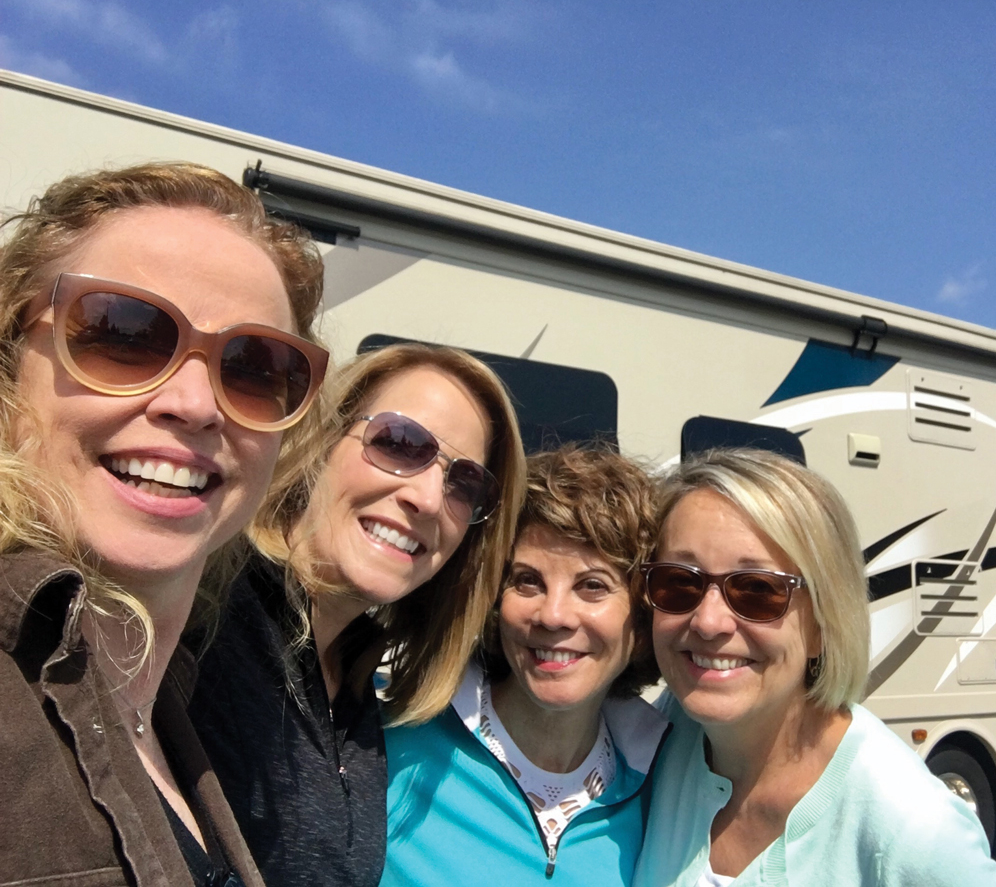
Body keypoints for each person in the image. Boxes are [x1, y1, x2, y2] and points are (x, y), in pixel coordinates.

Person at [0, 162, 328, 887]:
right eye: (123, 335)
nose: (197, 404)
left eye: (254, 368)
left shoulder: (170, 707)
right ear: (10, 356)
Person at [188, 342, 526, 887]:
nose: (428, 499)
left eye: (465, 484)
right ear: (323, 440)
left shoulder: (355, 681)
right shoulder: (204, 618)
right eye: (400, 443)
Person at [633, 449, 996, 887]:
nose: (708, 622)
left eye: (757, 590)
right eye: (678, 582)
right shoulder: (667, 737)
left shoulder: (915, 831)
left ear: (824, 623)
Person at [380, 446, 670, 887]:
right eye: (528, 581)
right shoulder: (391, 748)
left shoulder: (665, 790)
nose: (553, 616)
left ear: (644, 624)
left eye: (592, 586)